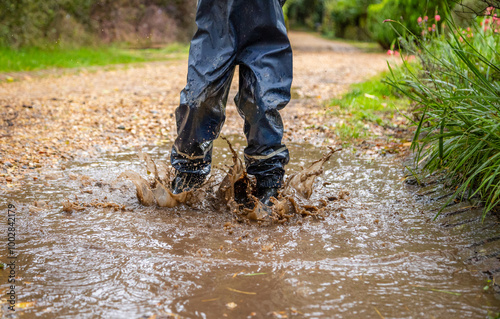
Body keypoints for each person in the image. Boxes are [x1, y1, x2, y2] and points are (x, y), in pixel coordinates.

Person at [170, 0, 292, 208]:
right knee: (198, 98)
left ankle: (268, 181)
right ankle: (189, 171)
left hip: (265, 22)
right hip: (215, 19)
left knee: (263, 101)